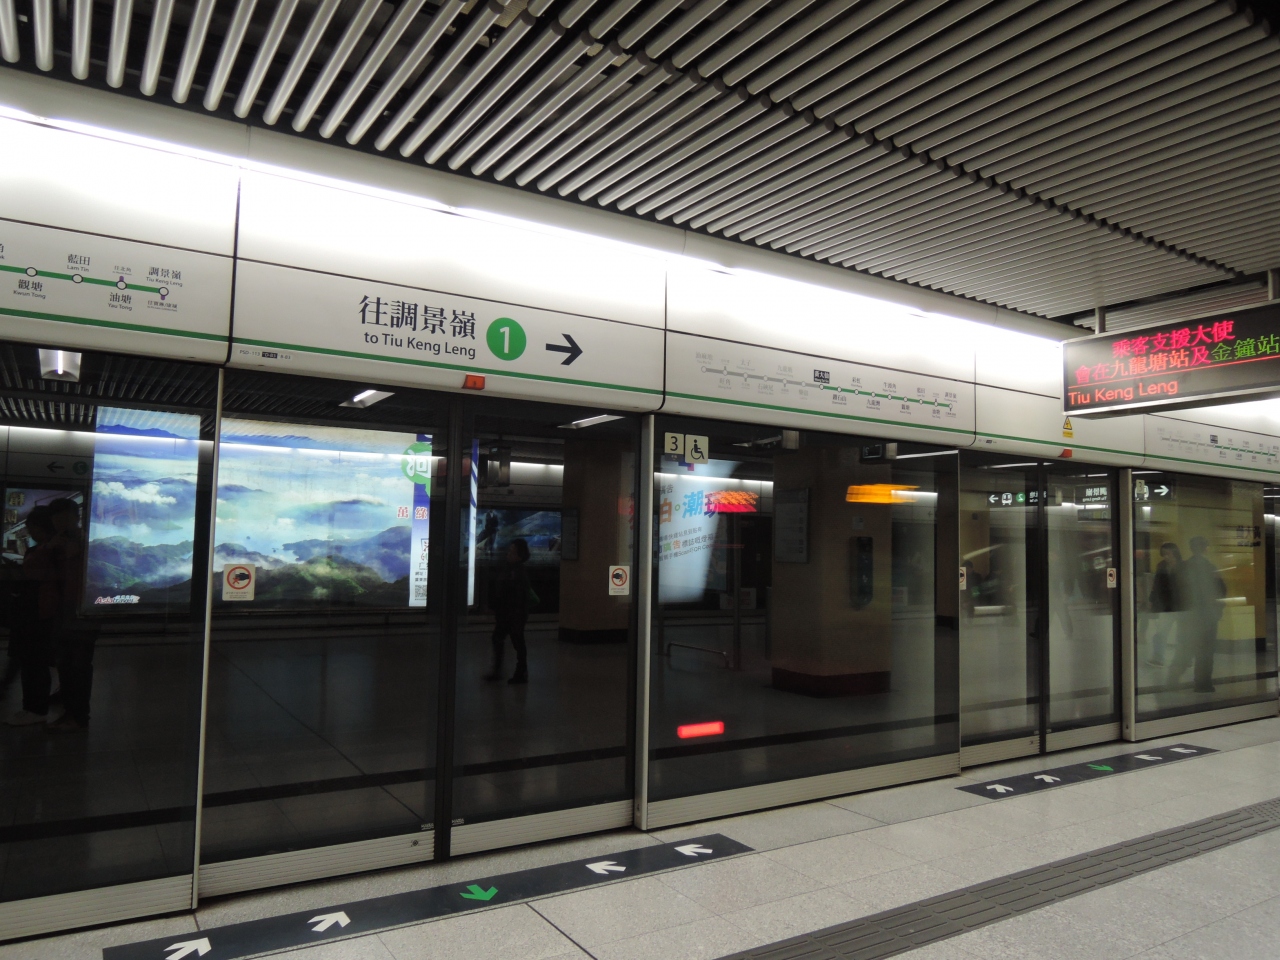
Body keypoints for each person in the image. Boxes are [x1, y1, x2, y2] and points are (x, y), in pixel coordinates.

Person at [4, 507, 59, 726]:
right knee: (31, 662)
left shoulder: (49, 551)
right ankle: (32, 707)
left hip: (37, 612)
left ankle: (35, 709)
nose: (30, 532)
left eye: (32, 528)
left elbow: (36, 576)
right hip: (34, 611)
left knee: (34, 662)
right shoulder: (46, 549)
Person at [47, 498, 92, 732]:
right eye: (56, 519)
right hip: (64, 611)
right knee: (66, 664)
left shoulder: (85, 542)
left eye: (64, 518)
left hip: (82, 613)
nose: (60, 523)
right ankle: (71, 712)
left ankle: (78, 716)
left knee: (78, 666)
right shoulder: (56, 543)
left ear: (76, 517)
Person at [1169, 536, 1225, 694]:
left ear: (1191, 548)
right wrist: (1218, 610)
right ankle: (1203, 684)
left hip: (1188, 615)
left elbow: (1174, 591)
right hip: (1208, 616)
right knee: (1206, 651)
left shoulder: (1182, 567)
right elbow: (1221, 590)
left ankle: (1171, 680)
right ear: (1206, 548)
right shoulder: (1211, 567)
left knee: (1185, 649)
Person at [485, 538, 530, 684]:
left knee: (513, 640)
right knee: (511, 640)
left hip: (512, 614)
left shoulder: (516, 572)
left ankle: (515, 671)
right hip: (508, 613)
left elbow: (513, 595)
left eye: (512, 552)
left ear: (519, 555)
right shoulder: (512, 569)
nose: (508, 554)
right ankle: (517, 671)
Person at [1146, 542, 1183, 667]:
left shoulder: (1184, 566)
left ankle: (1184, 659)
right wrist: (1151, 599)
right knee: (1160, 633)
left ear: (1175, 552)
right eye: (1164, 554)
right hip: (1167, 605)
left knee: (1182, 634)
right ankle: (1158, 658)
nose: (1166, 556)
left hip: (1182, 605)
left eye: (1168, 553)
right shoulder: (1161, 566)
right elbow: (1156, 585)